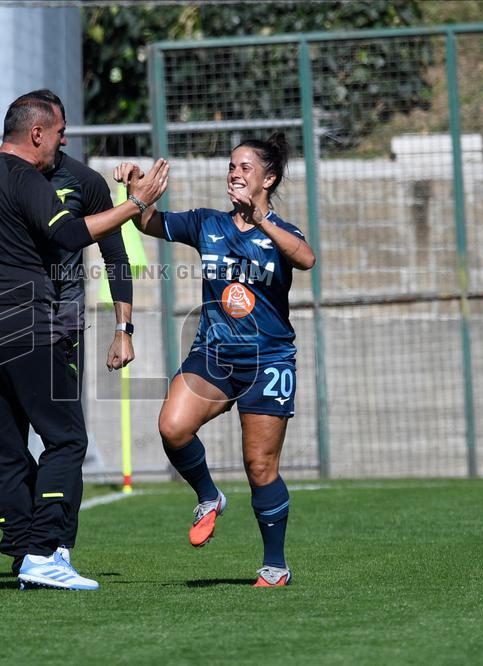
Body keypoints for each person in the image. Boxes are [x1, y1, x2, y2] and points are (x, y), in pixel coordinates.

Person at [0, 91, 168, 590]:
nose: (65, 139)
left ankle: (25, 552)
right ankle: (45, 551)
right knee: (66, 438)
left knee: (4, 448)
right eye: (60, 131)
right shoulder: (26, 178)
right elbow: (69, 237)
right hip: (29, 329)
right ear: (37, 133)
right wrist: (137, 204)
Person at [114, 133, 315, 587]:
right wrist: (135, 190)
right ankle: (209, 496)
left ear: (269, 178)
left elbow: (307, 259)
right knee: (172, 426)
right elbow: (149, 223)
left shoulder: (283, 232)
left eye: (245, 167)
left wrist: (262, 219)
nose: (235, 173)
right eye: (231, 166)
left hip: (268, 360)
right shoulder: (207, 223)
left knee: (260, 466)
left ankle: (275, 564)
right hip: (214, 354)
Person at [9, 90, 135, 573]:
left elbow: (116, 258)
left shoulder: (83, 181)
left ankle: (57, 545)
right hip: (10, 326)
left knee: (65, 436)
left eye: (64, 132)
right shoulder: (5, 177)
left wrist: (124, 328)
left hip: (61, 324)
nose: (63, 138)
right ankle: (24, 541)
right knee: (10, 442)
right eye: (60, 129)